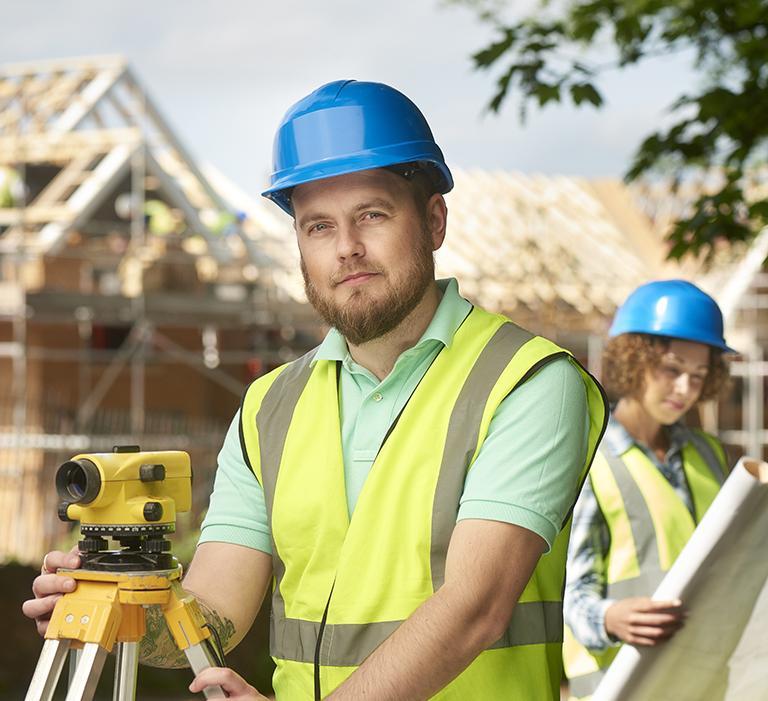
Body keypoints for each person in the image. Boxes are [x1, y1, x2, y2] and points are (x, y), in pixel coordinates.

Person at [24, 79, 608, 701]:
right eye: (319, 227)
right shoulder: (270, 405)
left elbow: (475, 608)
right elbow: (213, 616)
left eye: (372, 215)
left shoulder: (527, 381)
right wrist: (117, 610)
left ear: (433, 220)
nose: (347, 249)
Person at [562, 280, 733, 700]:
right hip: (620, 683)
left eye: (697, 375)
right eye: (671, 369)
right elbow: (567, 595)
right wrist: (609, 618)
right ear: (633, 359)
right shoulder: (588, 459)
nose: (684, 390)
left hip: (704, 679)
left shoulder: (710, 454)